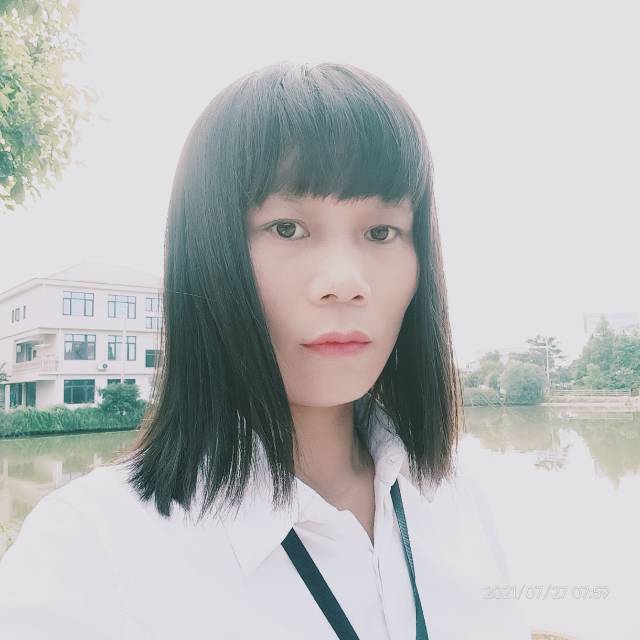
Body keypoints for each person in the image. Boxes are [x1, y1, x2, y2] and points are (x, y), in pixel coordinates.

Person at [0, 61, 530, 639]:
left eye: (381, 232)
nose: (345, 282)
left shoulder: (454, 497)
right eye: (287, 228)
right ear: (209, 252)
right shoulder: (90, 552)